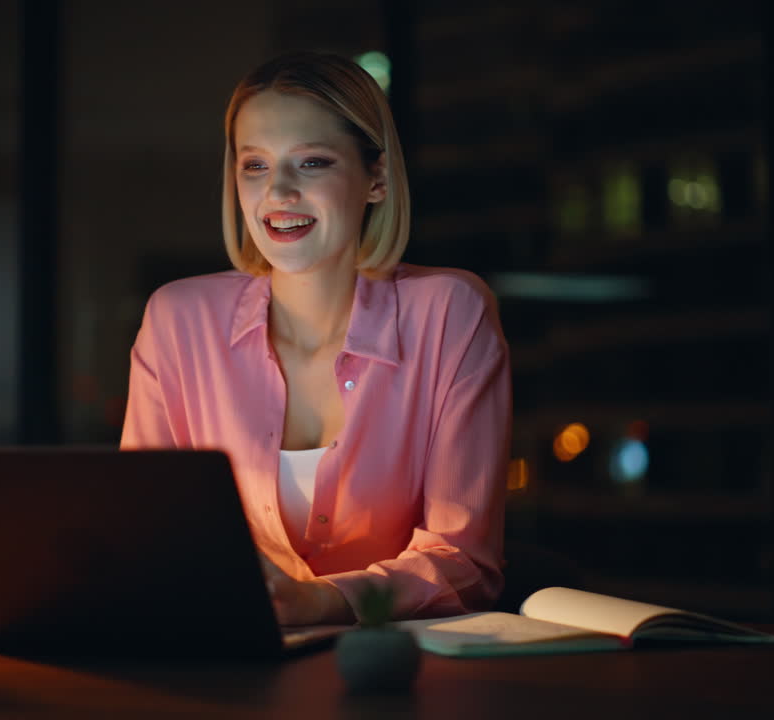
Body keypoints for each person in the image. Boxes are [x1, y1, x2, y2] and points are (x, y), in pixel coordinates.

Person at [121, 51, 510, 625]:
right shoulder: (178, 318)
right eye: (255, 165)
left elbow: (464, 562)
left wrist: (322, 601)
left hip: (391, 672)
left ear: (375, 179)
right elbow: (139, 531)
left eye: (311, 163)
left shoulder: (451, 313)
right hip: (222, 666)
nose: (277, 191)